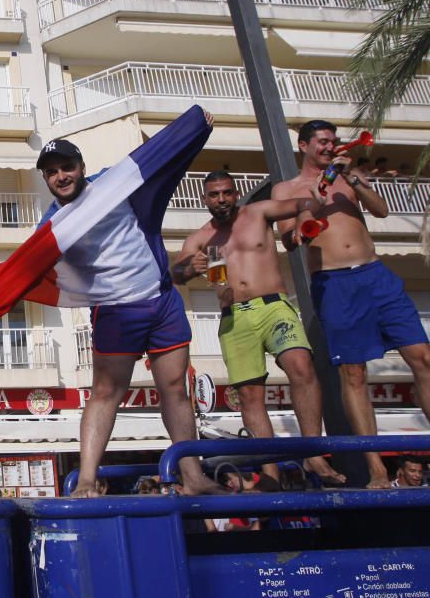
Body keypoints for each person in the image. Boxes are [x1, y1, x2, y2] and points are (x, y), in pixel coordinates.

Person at [0, 116, 224, 499]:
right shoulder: (54, 225)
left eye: (67, 167)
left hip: (161, 298)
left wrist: (195, 131)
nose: (61, 176)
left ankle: (193, 478)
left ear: (82, 167)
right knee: (107, 392)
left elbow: (161, 162)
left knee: (175, 389)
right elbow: (22, 270)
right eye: (52, 172)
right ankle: (87, 480)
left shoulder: (115, 184)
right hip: (115, 310)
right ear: (45, 179)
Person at [272, 120, 430, 489]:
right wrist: (307, 215)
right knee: (354, 375)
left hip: (375, 275)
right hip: (334, 283)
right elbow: (289, 241)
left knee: (423, 356)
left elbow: (382, 211)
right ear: (304, 146)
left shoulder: (349, 177)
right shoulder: (286, 188)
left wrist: (354, 180)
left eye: (334, 141)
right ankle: (376, 468)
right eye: (323, 142)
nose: (330, 147)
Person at [173, 171, 345, 485]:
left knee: (302, 365)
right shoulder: (200, 238)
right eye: (214, 194)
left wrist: (303, 222)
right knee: (250, 396)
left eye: (226, 192)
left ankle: (313, 454)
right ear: (204, 199)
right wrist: (189, 268)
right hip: (233, 316)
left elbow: (307, 201)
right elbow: (176, 274)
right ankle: (270, 475)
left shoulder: (259, 212)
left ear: (236, 193)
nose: (221, 199)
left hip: (273, 305)